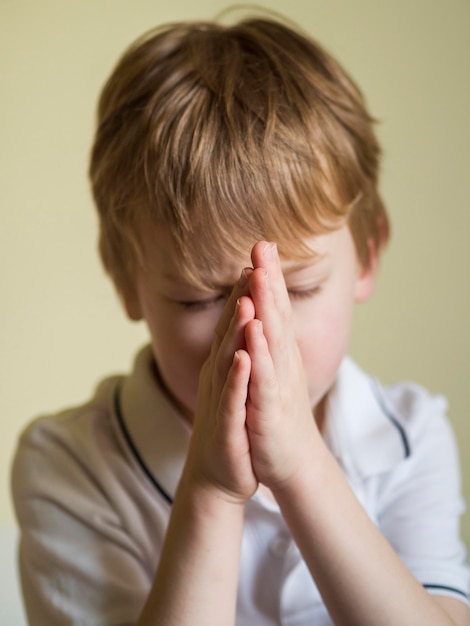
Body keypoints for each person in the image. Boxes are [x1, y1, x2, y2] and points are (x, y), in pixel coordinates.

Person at [11, 13, 469, 626]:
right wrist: (211, 490)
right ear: (126, 280)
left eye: (298, 289)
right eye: (198, 301)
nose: (252, 337)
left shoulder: (410, 441)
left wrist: (303, 467)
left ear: (367, 254)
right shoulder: (68, 467)